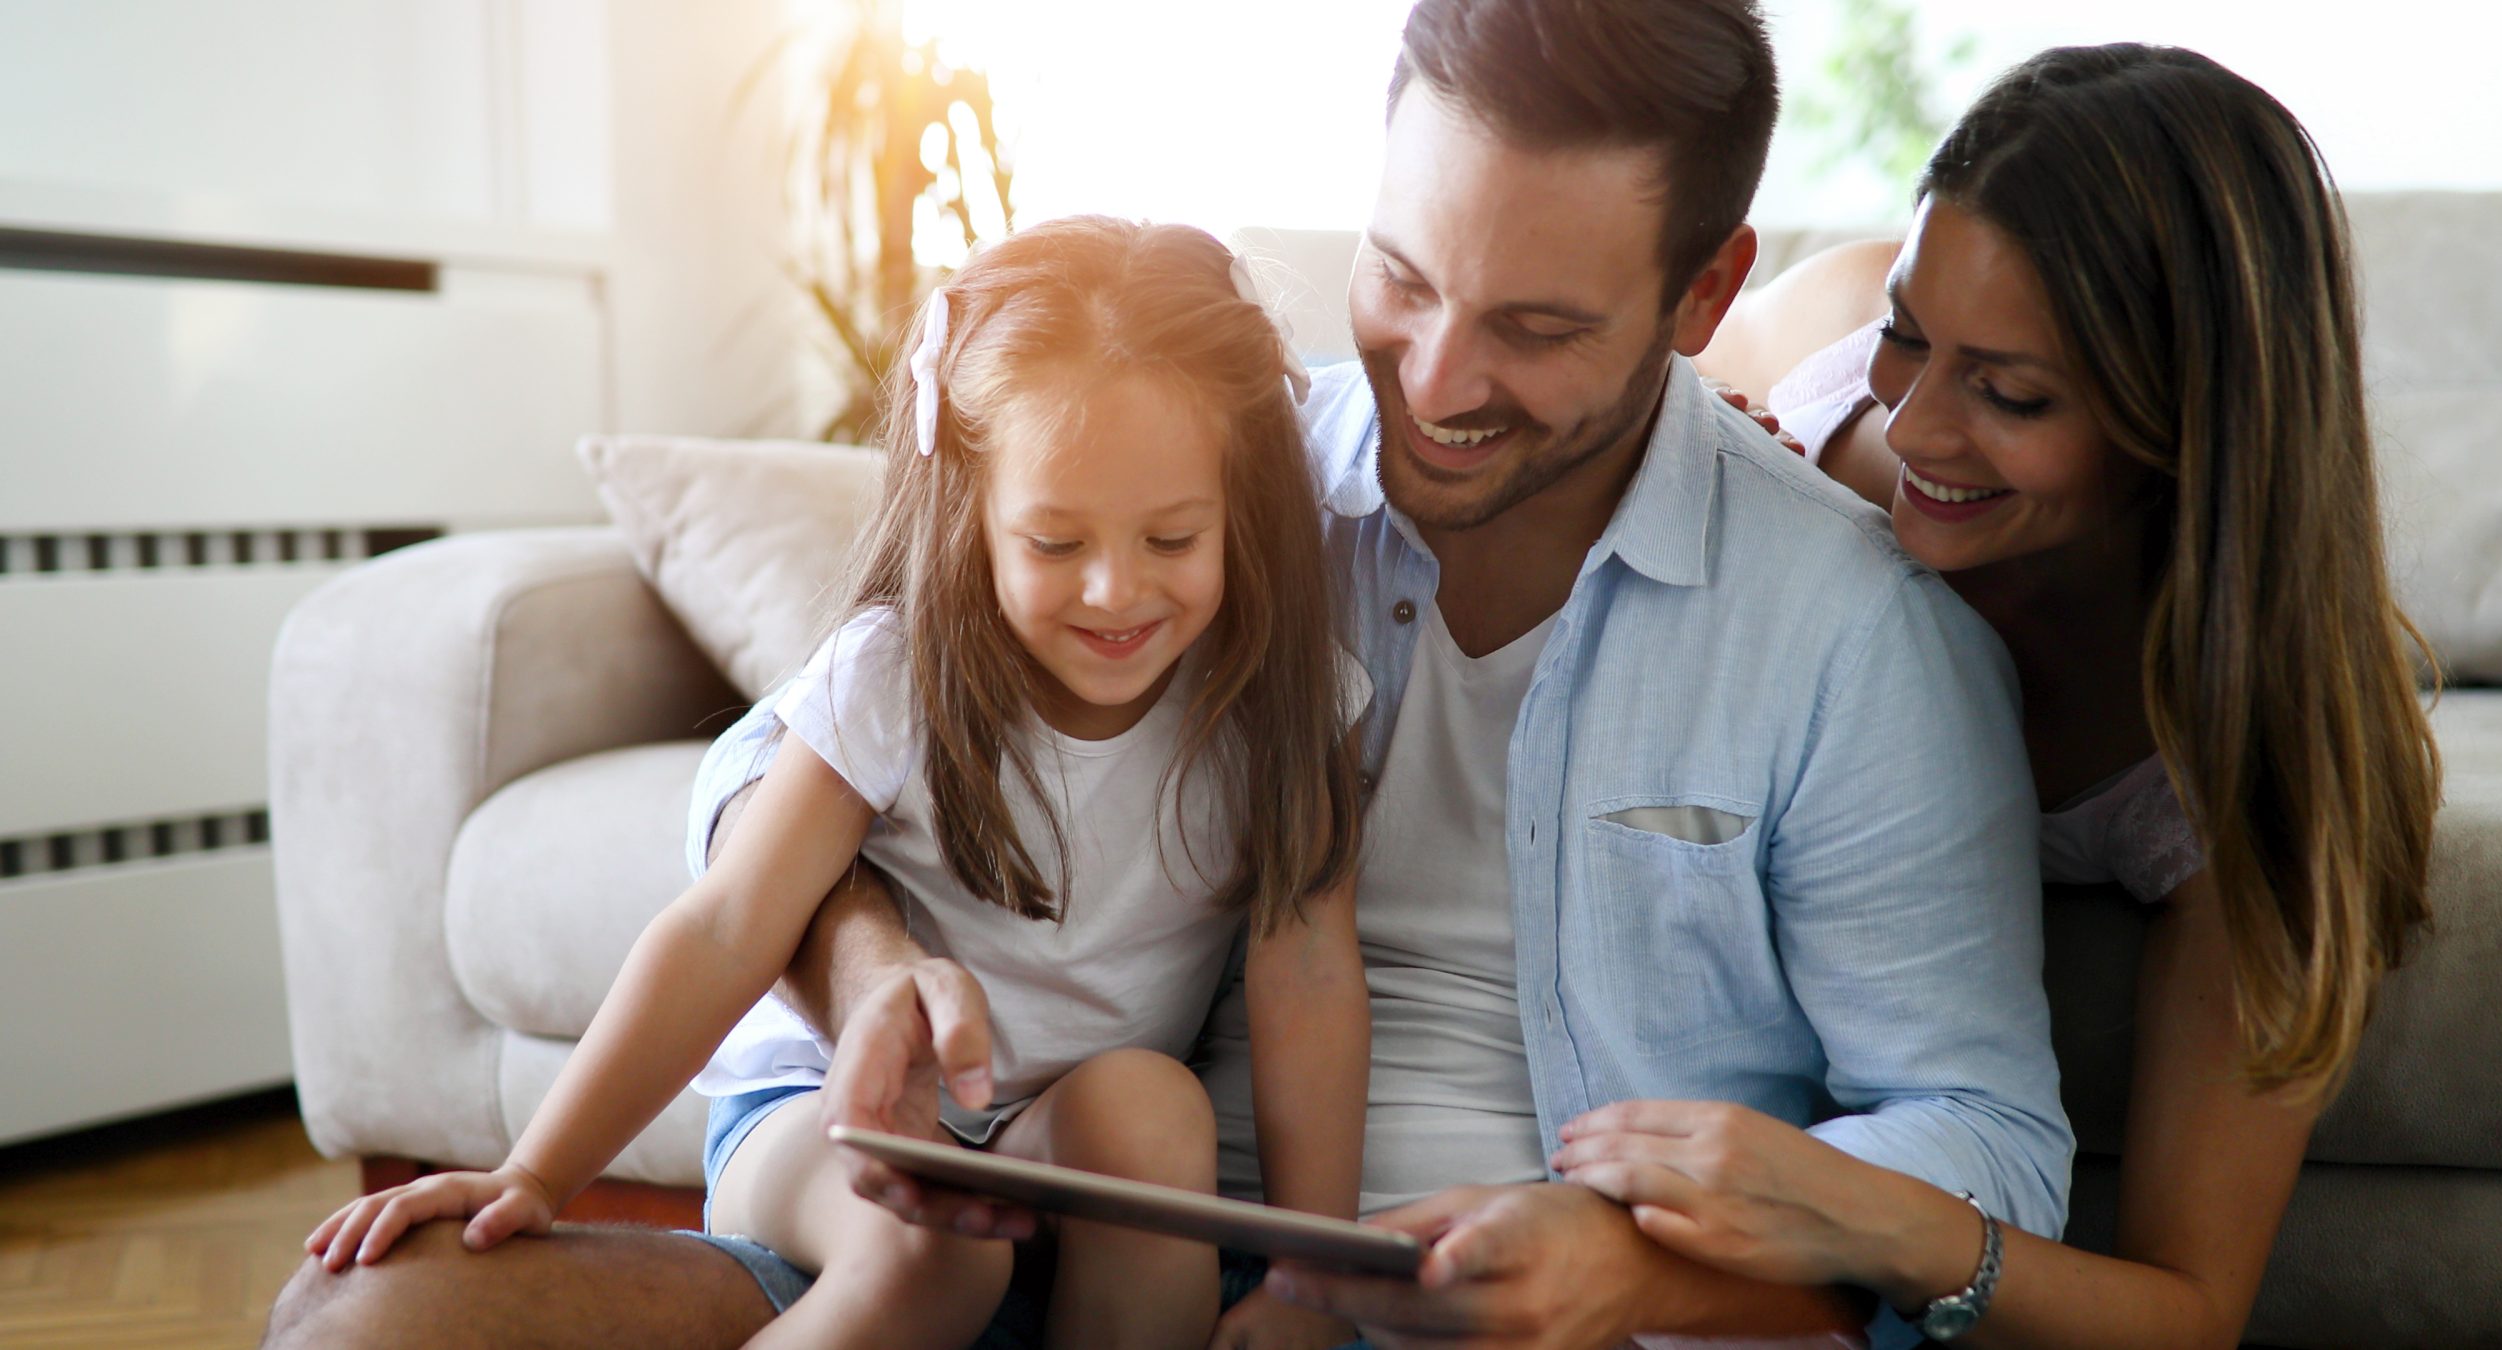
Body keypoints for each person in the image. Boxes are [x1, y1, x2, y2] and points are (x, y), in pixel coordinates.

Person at [262, 4, 2072, 1347]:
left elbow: (1982, 1136)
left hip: (1457, 1310)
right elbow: (780, 779)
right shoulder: (1220, 469)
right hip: (994, 1211)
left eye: (1535, 328)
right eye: (1400, 276)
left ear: (1703, 297)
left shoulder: (1851, 637)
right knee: (359, 1326)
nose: (1434, 379)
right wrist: (878, 958)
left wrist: (1644, 1259)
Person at [291, 216, 1373, 1350]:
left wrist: (1309, 1281)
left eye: (1171, 538)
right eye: (1055, 544)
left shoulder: (1285, 705)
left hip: (1061, 1133)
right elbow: (725, 927)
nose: (1115, 592)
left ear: (1238, 507)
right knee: (939, 1242)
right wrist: (536, 1172)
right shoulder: (894, 671)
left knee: (1156, 1112)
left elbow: (1306, 976)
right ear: (975, 515)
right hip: (822, 1118)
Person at [1552, 45, 2443, 1347]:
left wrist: (1869, 1212)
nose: (1915, 429)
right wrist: (1675, 424)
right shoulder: (1835, 385)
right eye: (1914, 336)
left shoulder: (2243, 760)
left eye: (2012, 393)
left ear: (2180, 420)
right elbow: (1612, 376)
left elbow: (2186, 1310)